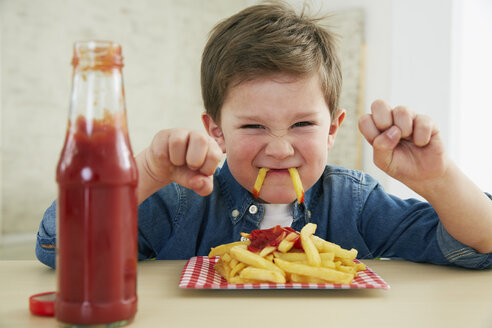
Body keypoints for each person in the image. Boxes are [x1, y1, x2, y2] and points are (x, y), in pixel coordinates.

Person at [36, 1, 492, 269]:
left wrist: (437, 179)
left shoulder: (355, 203)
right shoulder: (178, 203)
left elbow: (479, 248)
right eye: (253, 125)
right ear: (216, 131)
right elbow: (60, 248)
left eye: (303, 124)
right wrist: (148, 173)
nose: (280, 148)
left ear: (333, 128)